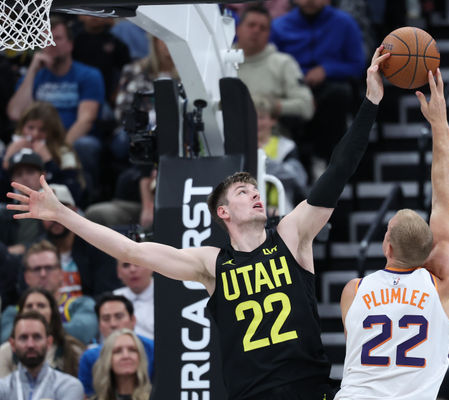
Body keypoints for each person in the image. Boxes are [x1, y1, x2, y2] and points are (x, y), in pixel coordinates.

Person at [7, 46, 389, 399]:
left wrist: (371, 101)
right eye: (243, 192)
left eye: (256, 190)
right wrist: (62, 214)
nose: (255, 194)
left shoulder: (291, 235)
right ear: (223, 212)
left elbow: (338, 171)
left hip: (310, 391)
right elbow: (129, 249)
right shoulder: (211, 264)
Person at [334, 69, 449, 400]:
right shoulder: (440, 282)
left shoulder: (353, 291)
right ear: (428, 252)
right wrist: (439, 123)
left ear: (385, 246)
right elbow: (444, 200)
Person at [6, 15, 105, 189]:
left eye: (57, 38)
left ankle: (87, 196)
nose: (50, 43)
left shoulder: (89, 75)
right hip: (35, 137)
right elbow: (15, 114)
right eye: (45, 39)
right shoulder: (35, 75)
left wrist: (58, 147)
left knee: (86, 146)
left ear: (70, 44)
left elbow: (86, 120)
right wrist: (32, 70)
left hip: (69, 139)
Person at [271, 0, 366, 178]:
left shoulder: (345, 23)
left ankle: (325, 161)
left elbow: (358, 64)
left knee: (339, 94)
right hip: (293, 88)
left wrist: (327, 69)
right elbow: (272, 64)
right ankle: (290, 161)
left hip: (329, 88)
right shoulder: (279, 26)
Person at [0, 240, 98, 345]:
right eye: (36, 269)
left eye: (49, 268)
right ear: (26, 277)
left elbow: (82, 334)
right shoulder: (13, 312)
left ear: (61, 273)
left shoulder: (80, 304)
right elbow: (7, 341)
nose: (43, 274)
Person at [235, 5, 314, 133]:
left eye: (263, 28)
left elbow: (306, 106)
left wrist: (273, 106)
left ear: (269, 34)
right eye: (251, 25)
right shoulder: (221, 59)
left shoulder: (283, 63)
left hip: (271, 140)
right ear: (238, 29)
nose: (256, 31)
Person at [2, 101, 85, 205]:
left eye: (42, 129)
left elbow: (73, 192)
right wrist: (6, 159)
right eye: (30, 127)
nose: (35, 134)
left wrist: (49, 161)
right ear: (22, 127)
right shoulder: (12, 148)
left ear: (53, 131)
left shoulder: (64, 152)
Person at [78, 293, 154, 397]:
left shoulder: (153, 349)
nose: (113, 324)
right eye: (106, 318)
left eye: (119, 317)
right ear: (99, 324)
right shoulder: (89, 358)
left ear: (133, 320)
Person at [0, 288, 85, 378]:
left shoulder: (73, 349)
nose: (35, 310)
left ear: (52, 312)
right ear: (21, 313)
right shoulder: (5, 351)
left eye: (41, 305)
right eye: (29, 306)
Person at [0, 311, 84, 399]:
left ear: (49, 342)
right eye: (23, 337)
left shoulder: (69, 386)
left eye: (37, 337)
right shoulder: (2, 387)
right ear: (13, 344)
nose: (30, 345)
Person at [254, 95, 308, 214]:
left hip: (282, 212)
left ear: (273, 120)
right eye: (253, 117)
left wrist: (261, 158)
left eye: (261, 118)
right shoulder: (240, 146)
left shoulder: (286, 146)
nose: (257, 122)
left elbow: (298, 177)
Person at [90, 328, 151, 400]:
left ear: (140, 357)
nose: (126, 356)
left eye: (132, 350)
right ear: (107, 359)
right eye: (117, 351)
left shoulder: (156, 396)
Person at [113, 260, 154, 340]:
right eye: (126, 265)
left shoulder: (166, 296)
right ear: (118, 272)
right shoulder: (113, 299)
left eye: (138, 263)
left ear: (152, 267)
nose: (132, 269)